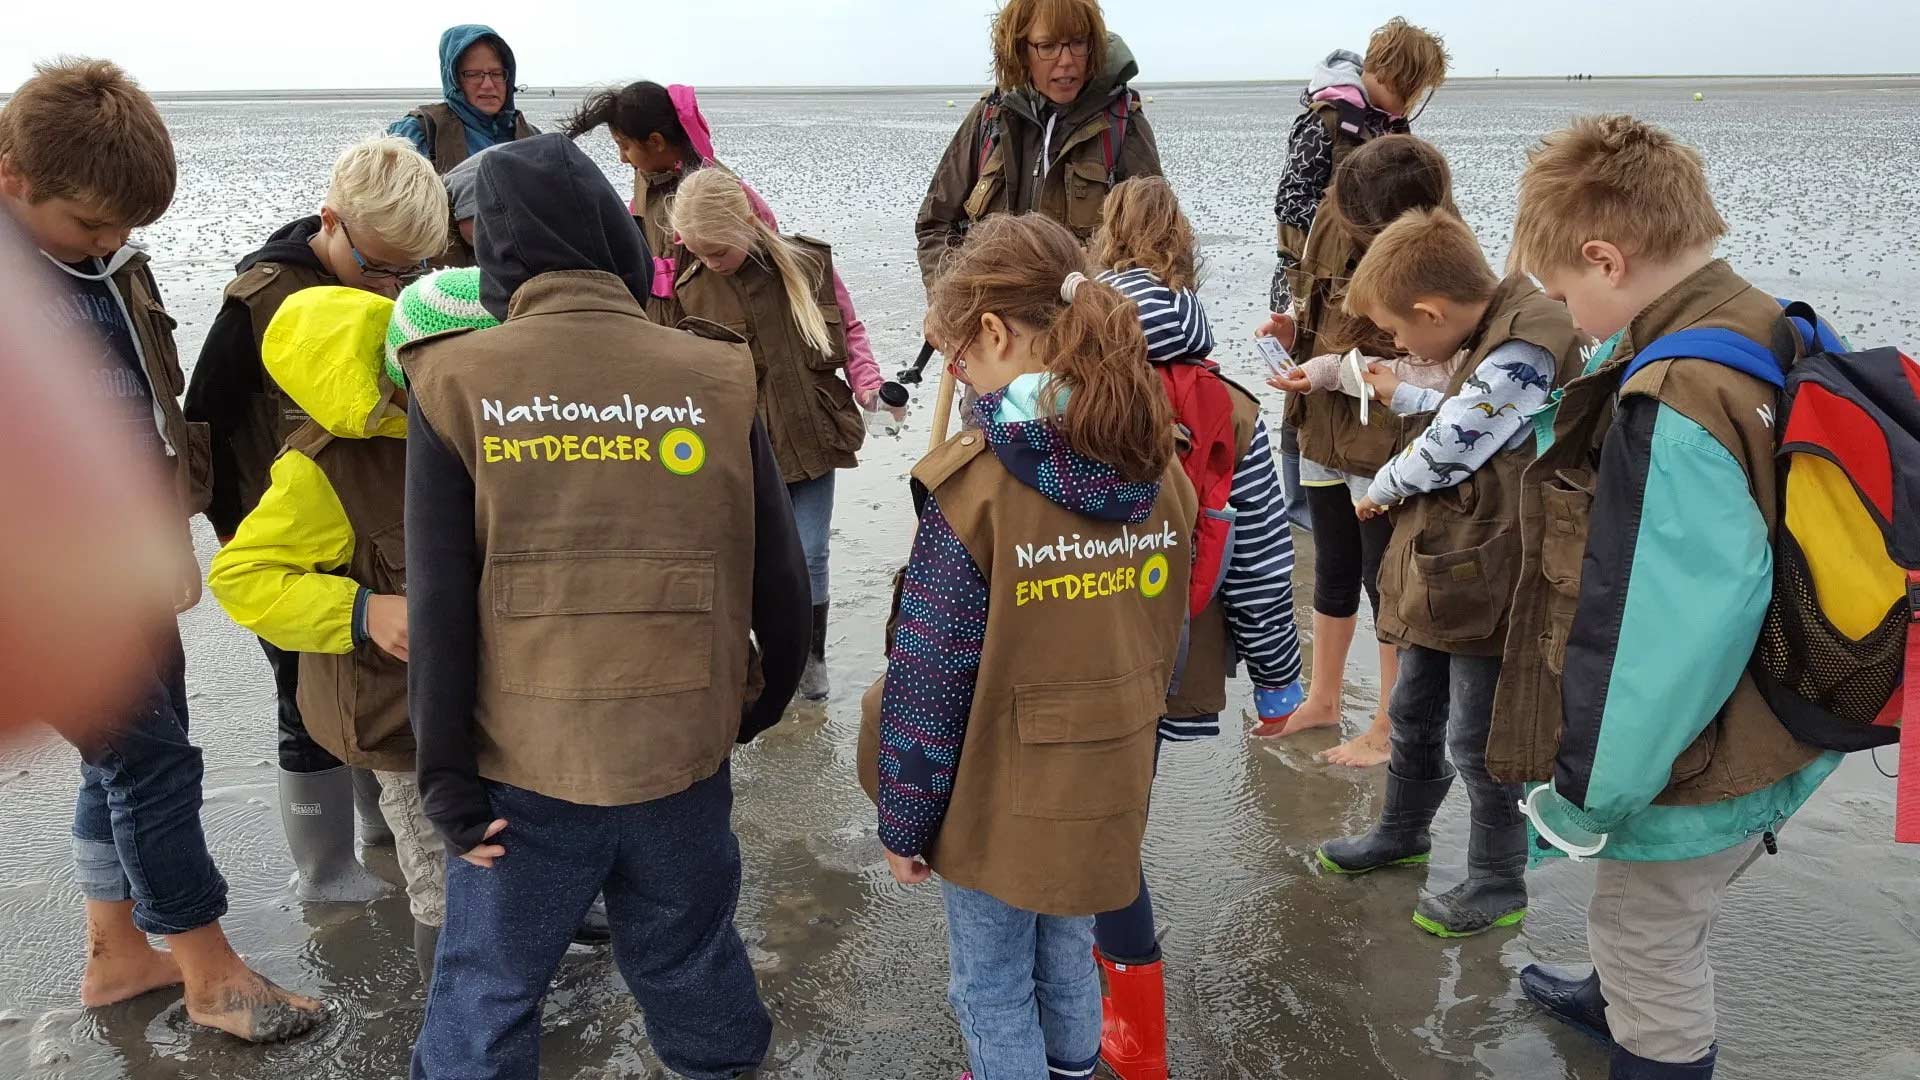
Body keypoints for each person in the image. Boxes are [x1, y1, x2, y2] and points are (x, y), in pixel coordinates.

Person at [402, 133, 810, 1080]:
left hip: (522, 771)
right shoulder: (714, 372)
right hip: (682, 750)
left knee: (492, 993)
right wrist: (761, 701)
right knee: (691, 960)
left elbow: (441, 604)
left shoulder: (452, 377)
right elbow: (780, 578)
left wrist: (445, 779)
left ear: (495, 254)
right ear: (620, 240)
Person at [1496, 115, 1843, 1080]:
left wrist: (1588, 793)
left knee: (1654, 934)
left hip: (1710, 741)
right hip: (1790, 695)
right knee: (1642, 915)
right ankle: (1610, 993)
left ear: (1605, 259)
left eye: (1564, 292)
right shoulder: (1759, 317)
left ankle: (1651, 1037)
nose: (1565, 315)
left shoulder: (1678, 395)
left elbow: (1663, 630)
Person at [0, 56, 324, 1042]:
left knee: (136, 754)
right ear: (11, 177)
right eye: (93, 225)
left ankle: (117, 953)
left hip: (123, 557)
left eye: (128, 229)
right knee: (150, 761)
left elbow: (146, 411)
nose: (112, 243)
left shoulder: (106, 264)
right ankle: (211, 972)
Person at [858, 213, 1197, 1080]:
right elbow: (1171, 627)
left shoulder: (975, 489)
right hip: (1111, 770)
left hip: (996, 797)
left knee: (992, 984)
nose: (960, 375)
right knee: (1068, 955)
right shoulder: (1160, 464)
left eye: (961, 356)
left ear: (998, 333)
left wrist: (905, 818)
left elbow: (931, 678)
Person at [206, 272, 500, 990]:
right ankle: (453, 1017)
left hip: (491, 704)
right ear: (406, 371)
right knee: (441, 878)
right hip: (394, 716)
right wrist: (362, 611)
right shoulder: (321, 470)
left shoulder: (497, 431)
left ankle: (488, 947)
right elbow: (241, 578)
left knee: (479, 848)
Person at [185, 134, 448, 904]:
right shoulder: (259, 301)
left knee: (380, 696)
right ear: (329, 221)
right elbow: (205, 423)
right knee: (304, 699)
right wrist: (229, 529)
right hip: (290, 528)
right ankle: (325, 873)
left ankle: (380, 833)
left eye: (412, 270)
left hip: (382, 533)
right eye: (379, 267)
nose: (395, 284)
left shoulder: (404, 286)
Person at [1312, 208, 1582, 940]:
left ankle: (1497, 878)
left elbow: (1458, 444)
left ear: (1433, 312)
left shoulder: (1526, 344)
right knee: (1415, 708)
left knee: (1479, 734)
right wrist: (1414, 395)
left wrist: (1382, 487)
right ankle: (1403, 833)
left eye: (1401, 334)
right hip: (1451, 565)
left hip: (1493, 575)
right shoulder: (1496, 341)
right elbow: (1481, 411)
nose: (1399, 347)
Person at [1085, 176, 1303, 1078]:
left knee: (1075, 823)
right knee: (1117, 823)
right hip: (1172, 642)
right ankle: (1136, 1038)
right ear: (1188, 259)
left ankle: (1083, 1002)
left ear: (1102, 252)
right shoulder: (1228, 399)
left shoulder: (1065, 376)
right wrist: (1281, 677)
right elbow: (1257, 554)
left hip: (1066, 636)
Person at [1259, 134, 1457, 767]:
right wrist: (1293, 334)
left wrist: (1332, 369)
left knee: (1386, 582)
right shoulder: (1331, 215)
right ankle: (1322, 697)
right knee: (1331, 566)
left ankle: (1386, 723)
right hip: (1322, 426)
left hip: (1384, 446)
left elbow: (1436, 365)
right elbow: (1310, 302)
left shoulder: (1439, 255)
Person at [668, 166, 890, 702]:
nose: (709, 263)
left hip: (812, 434)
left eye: (718, 252)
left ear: (746, 225)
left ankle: (811, 664)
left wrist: (869, 384)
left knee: (811, 553)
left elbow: (851, 329)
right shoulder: (688, 290)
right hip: (743, 450)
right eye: (697, 253)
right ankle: (764, 663)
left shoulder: (809, 264)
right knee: (750, 557)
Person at [1262, 18, 1450, 531]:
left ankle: (1375, 470)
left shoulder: (1391, 126)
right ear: (1402, 78)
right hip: (1312, 281)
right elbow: (1291, 200)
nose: (1412, 103)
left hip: (1374, 280)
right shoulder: (1326, 120)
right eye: (1413, 90)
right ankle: (1308, 495)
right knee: (1309, 378)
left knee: (1370, 366)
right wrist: (1354, 244)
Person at [915, 0, 1161, 287]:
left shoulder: (1123, 123)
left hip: (1084, 325)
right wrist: (952, 308)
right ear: (1020, 49)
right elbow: (935, 225)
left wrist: (1095, 285)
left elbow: (1157, 250)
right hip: (990, 325)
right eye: (1048, 46)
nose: (1067, 60)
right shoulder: (991, 116)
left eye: (1078, 43)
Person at [388, 25, 539, 174]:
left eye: (496, 73)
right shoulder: (419, 132)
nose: (488, 85)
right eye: (473, 74)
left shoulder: (533, 138)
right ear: (453, 80)